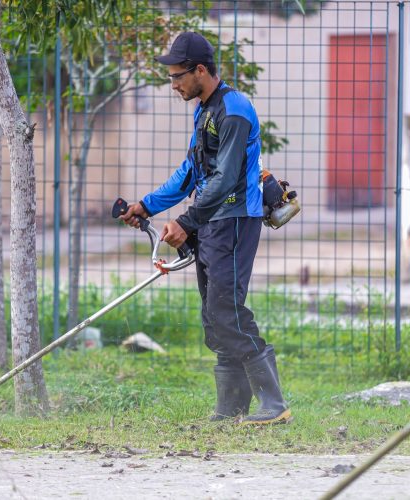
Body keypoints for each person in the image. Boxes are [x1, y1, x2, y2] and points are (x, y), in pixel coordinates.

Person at [121, 32, 291, 425]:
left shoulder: (233, 110)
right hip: (212, 221)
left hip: (235, 219)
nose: (173, 84)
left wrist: (186, 221)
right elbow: (191, 172)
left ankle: (274, 404)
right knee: (213, 316)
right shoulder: (205, 109)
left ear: (200, 70)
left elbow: (227, 178)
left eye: (177, 76)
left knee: (225, 309)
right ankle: (231, 408)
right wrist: (146, 205)